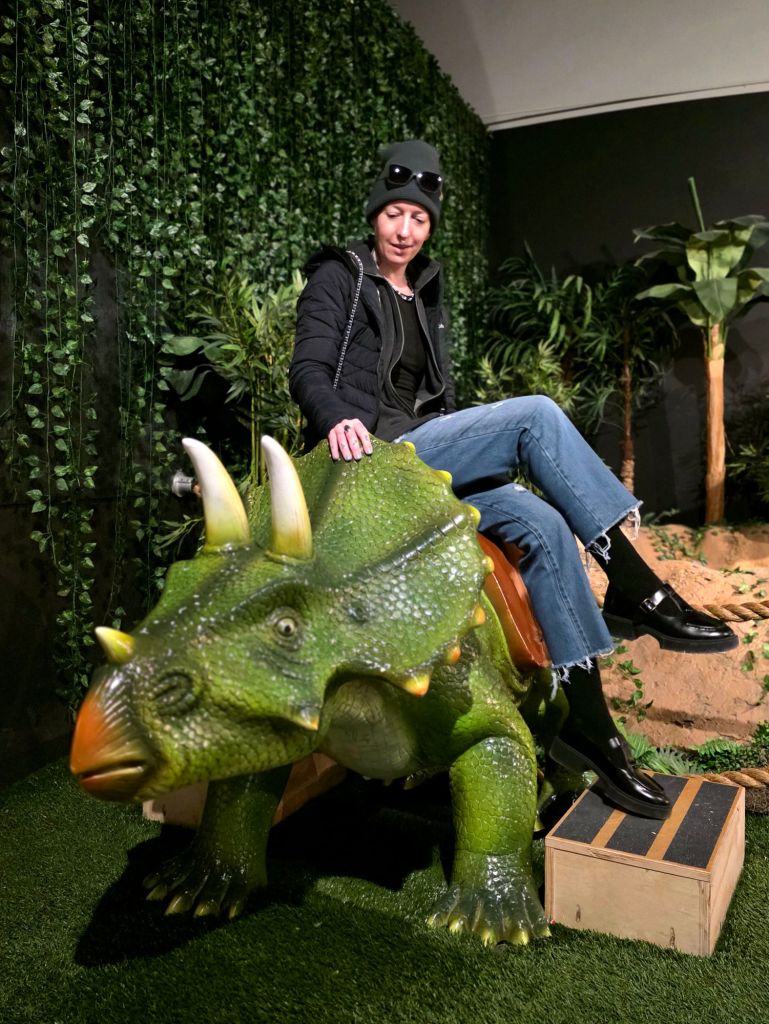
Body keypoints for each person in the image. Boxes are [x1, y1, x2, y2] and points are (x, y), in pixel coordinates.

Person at [289, 139, 738, 821]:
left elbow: (430, 399)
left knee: (544, 525)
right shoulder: (340, 276)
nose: (405, 231)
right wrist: (332, 420)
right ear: (375, 213)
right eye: (393, 215)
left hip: (419, 452)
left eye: (419, 219)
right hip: (369, 457)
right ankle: (640, 589)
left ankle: (590, 728)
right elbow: (309, 369)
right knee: (533, 415)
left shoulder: (425, 293)